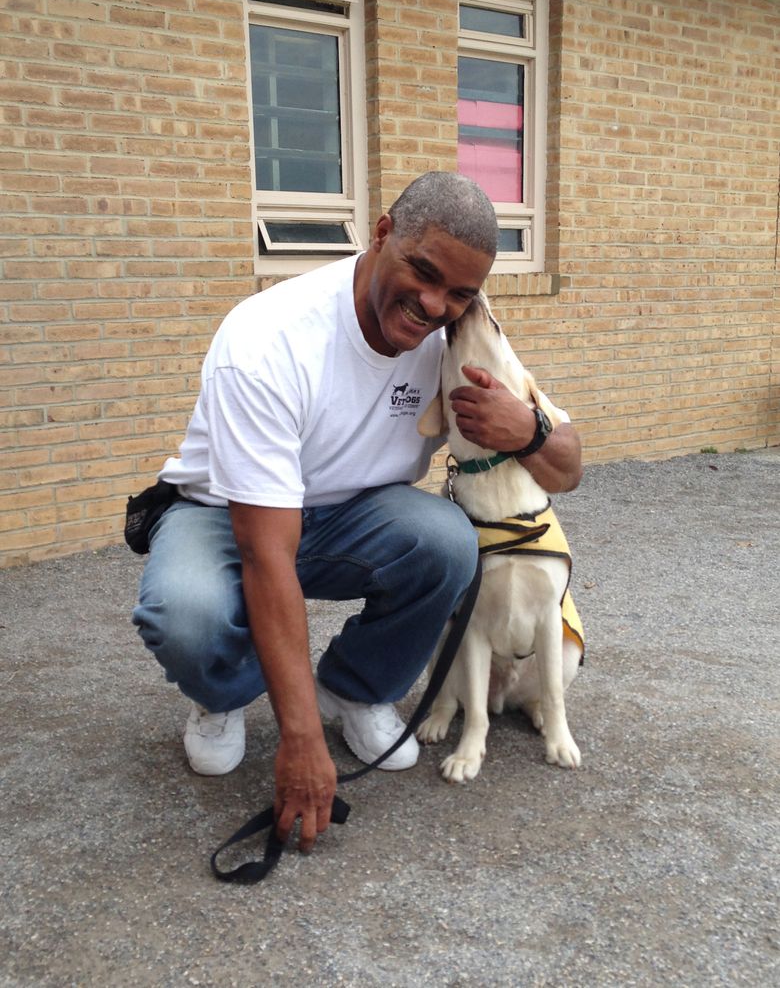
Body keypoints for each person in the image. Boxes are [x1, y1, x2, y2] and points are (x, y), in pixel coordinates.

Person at [132, 171, 582, 852]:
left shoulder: (454, 334)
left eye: (458, 293)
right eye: (422, 272)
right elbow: (266, 553)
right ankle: (224, 695)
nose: (433, 306)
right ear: (381, 235)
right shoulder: (269, 340)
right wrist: (301, 738)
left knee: (447, 541)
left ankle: (354, 687)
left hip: (353, 514)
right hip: (227, 515)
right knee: (185, 610)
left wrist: (530, 431)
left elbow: (568, 467)